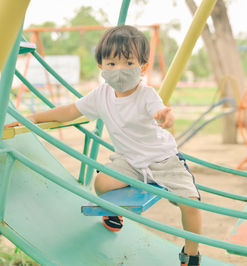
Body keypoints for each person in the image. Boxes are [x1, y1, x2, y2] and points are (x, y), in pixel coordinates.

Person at [5, 25, 202, 266]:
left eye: (129, 63)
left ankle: (191, 253)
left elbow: (158, 110)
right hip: (129, 160)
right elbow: (69, 111)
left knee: (190, 203)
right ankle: (115, 213)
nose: (119, 70)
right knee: (101, 183)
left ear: (143, 67)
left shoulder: (146, 94)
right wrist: (36, 117)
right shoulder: (101, 95)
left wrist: (164, 116)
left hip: (162, 159)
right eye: (111, 64)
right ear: (101, 67)